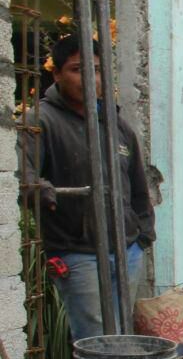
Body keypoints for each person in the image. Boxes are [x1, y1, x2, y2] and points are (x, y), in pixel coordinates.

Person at [21, 35, 155, 341]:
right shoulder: (41, 121)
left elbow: (137, 186)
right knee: (94, 336)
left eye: (95, 70)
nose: (89, 79)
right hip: (77, 252)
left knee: (121, 331)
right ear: (56, 74)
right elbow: (23, 174)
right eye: (77, 69)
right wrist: (42, 191)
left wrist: (143, 235)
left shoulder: (116, 124)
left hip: (126, 248)